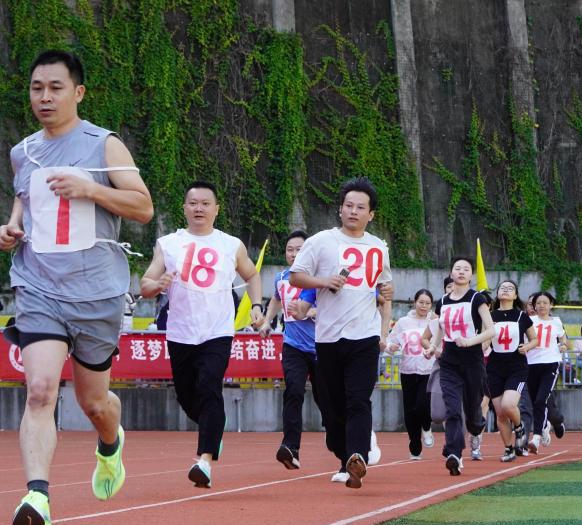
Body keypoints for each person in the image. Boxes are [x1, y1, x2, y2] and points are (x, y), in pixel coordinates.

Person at [0, 50, 153, 525]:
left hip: (97, 293)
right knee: (40, 390)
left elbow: (143, 207)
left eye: (55, 88)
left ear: (78, 92)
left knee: (94, 403)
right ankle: (37, 498)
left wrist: (91, 190)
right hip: (39, 286)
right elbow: (24, 198)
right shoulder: (23, 152)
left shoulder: (104, 145)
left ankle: (110, 442)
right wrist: (11, 228)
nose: (44, 97)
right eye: (36, 88)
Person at [140, 181, 263, 488]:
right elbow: (145, 284)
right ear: (184, 208)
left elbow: (252, 275)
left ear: (216, 209)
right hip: (180, 332)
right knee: (186, 396)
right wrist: (157, 284)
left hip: (217, 331)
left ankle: (204, 460)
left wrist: (257, 305)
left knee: (209, 387)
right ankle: (214, 428)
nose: (199, 208)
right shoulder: (168, 244)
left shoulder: (231, 244)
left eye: (205, 203)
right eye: (193, 203)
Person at [290, 177, 393, 489]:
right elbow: (296, 277)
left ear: (371, 214)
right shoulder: (321, 241)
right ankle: (343, 453)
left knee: (359, 399)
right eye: (349, 205)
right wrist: (324, 281)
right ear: (340, 209)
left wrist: (386, 296)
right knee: (333, 406)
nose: (353, 211)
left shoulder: (378, 247)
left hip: (365, 335)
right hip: (329, 337)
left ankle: (358, 457)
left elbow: (384, 287)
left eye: (360, 207)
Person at [422, 257, 494, 476]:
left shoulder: (477, 298)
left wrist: (470, 341)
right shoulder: (443, 301)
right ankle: (454, 453)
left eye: (466, 269)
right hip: (449, 361)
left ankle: (476, 425)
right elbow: (441, 328)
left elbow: (491, 330)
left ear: (471, 275)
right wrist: (432, 347)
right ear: (451, 273)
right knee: (452, 409)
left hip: (472, 360)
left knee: (472, 414)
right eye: (457, 268)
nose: (461, 272)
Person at [258, 230, 321, 470]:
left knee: (325, 398)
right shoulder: (281, 277)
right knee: (293, 391)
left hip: (321, 347)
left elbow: (335, 306)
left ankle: (342, 438)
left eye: (299, 250)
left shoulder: (318, 278)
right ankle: (290, 448)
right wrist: (267, 321)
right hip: (293, 346)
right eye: (290, 250)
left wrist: (311, 311)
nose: (294, 254)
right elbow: (276, 299)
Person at [486, 280, 537, 462]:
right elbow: (484, 339)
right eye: (502, 288)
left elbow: (534, 339)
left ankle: (519, 427)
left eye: (510, 289)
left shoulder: (522, 316)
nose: (506, 290)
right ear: (497, 293)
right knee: (500, 413)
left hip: (516, 366)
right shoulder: (489, 316)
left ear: (515, 295)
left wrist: (527, 347)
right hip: (494, 367)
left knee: (508, 405)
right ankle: (508, 449)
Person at [385, 289, 436, 460]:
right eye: (421, 302)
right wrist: (391, 347)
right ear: (415, 302)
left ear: (431, 305)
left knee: (422, 405)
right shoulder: (403, 322)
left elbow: (440, 343)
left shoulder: (435, 322)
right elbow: (391, 341)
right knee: (410, 410)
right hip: (407, 370)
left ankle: (426, 427)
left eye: (427, 303)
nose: (424, 306)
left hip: (428, 370)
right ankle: (415, 446)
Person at [524, 292, 569, 453]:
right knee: (536, 401)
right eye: (538, 303)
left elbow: (563, 339)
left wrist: (563, 346)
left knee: (540, 400)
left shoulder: (556, 321)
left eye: (545, 302)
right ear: (534, 306)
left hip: (550, 364)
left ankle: (536, 437)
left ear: (551, 305)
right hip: (531, 364)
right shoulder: (528, 321)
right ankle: (546, 425)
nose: (542, 305)